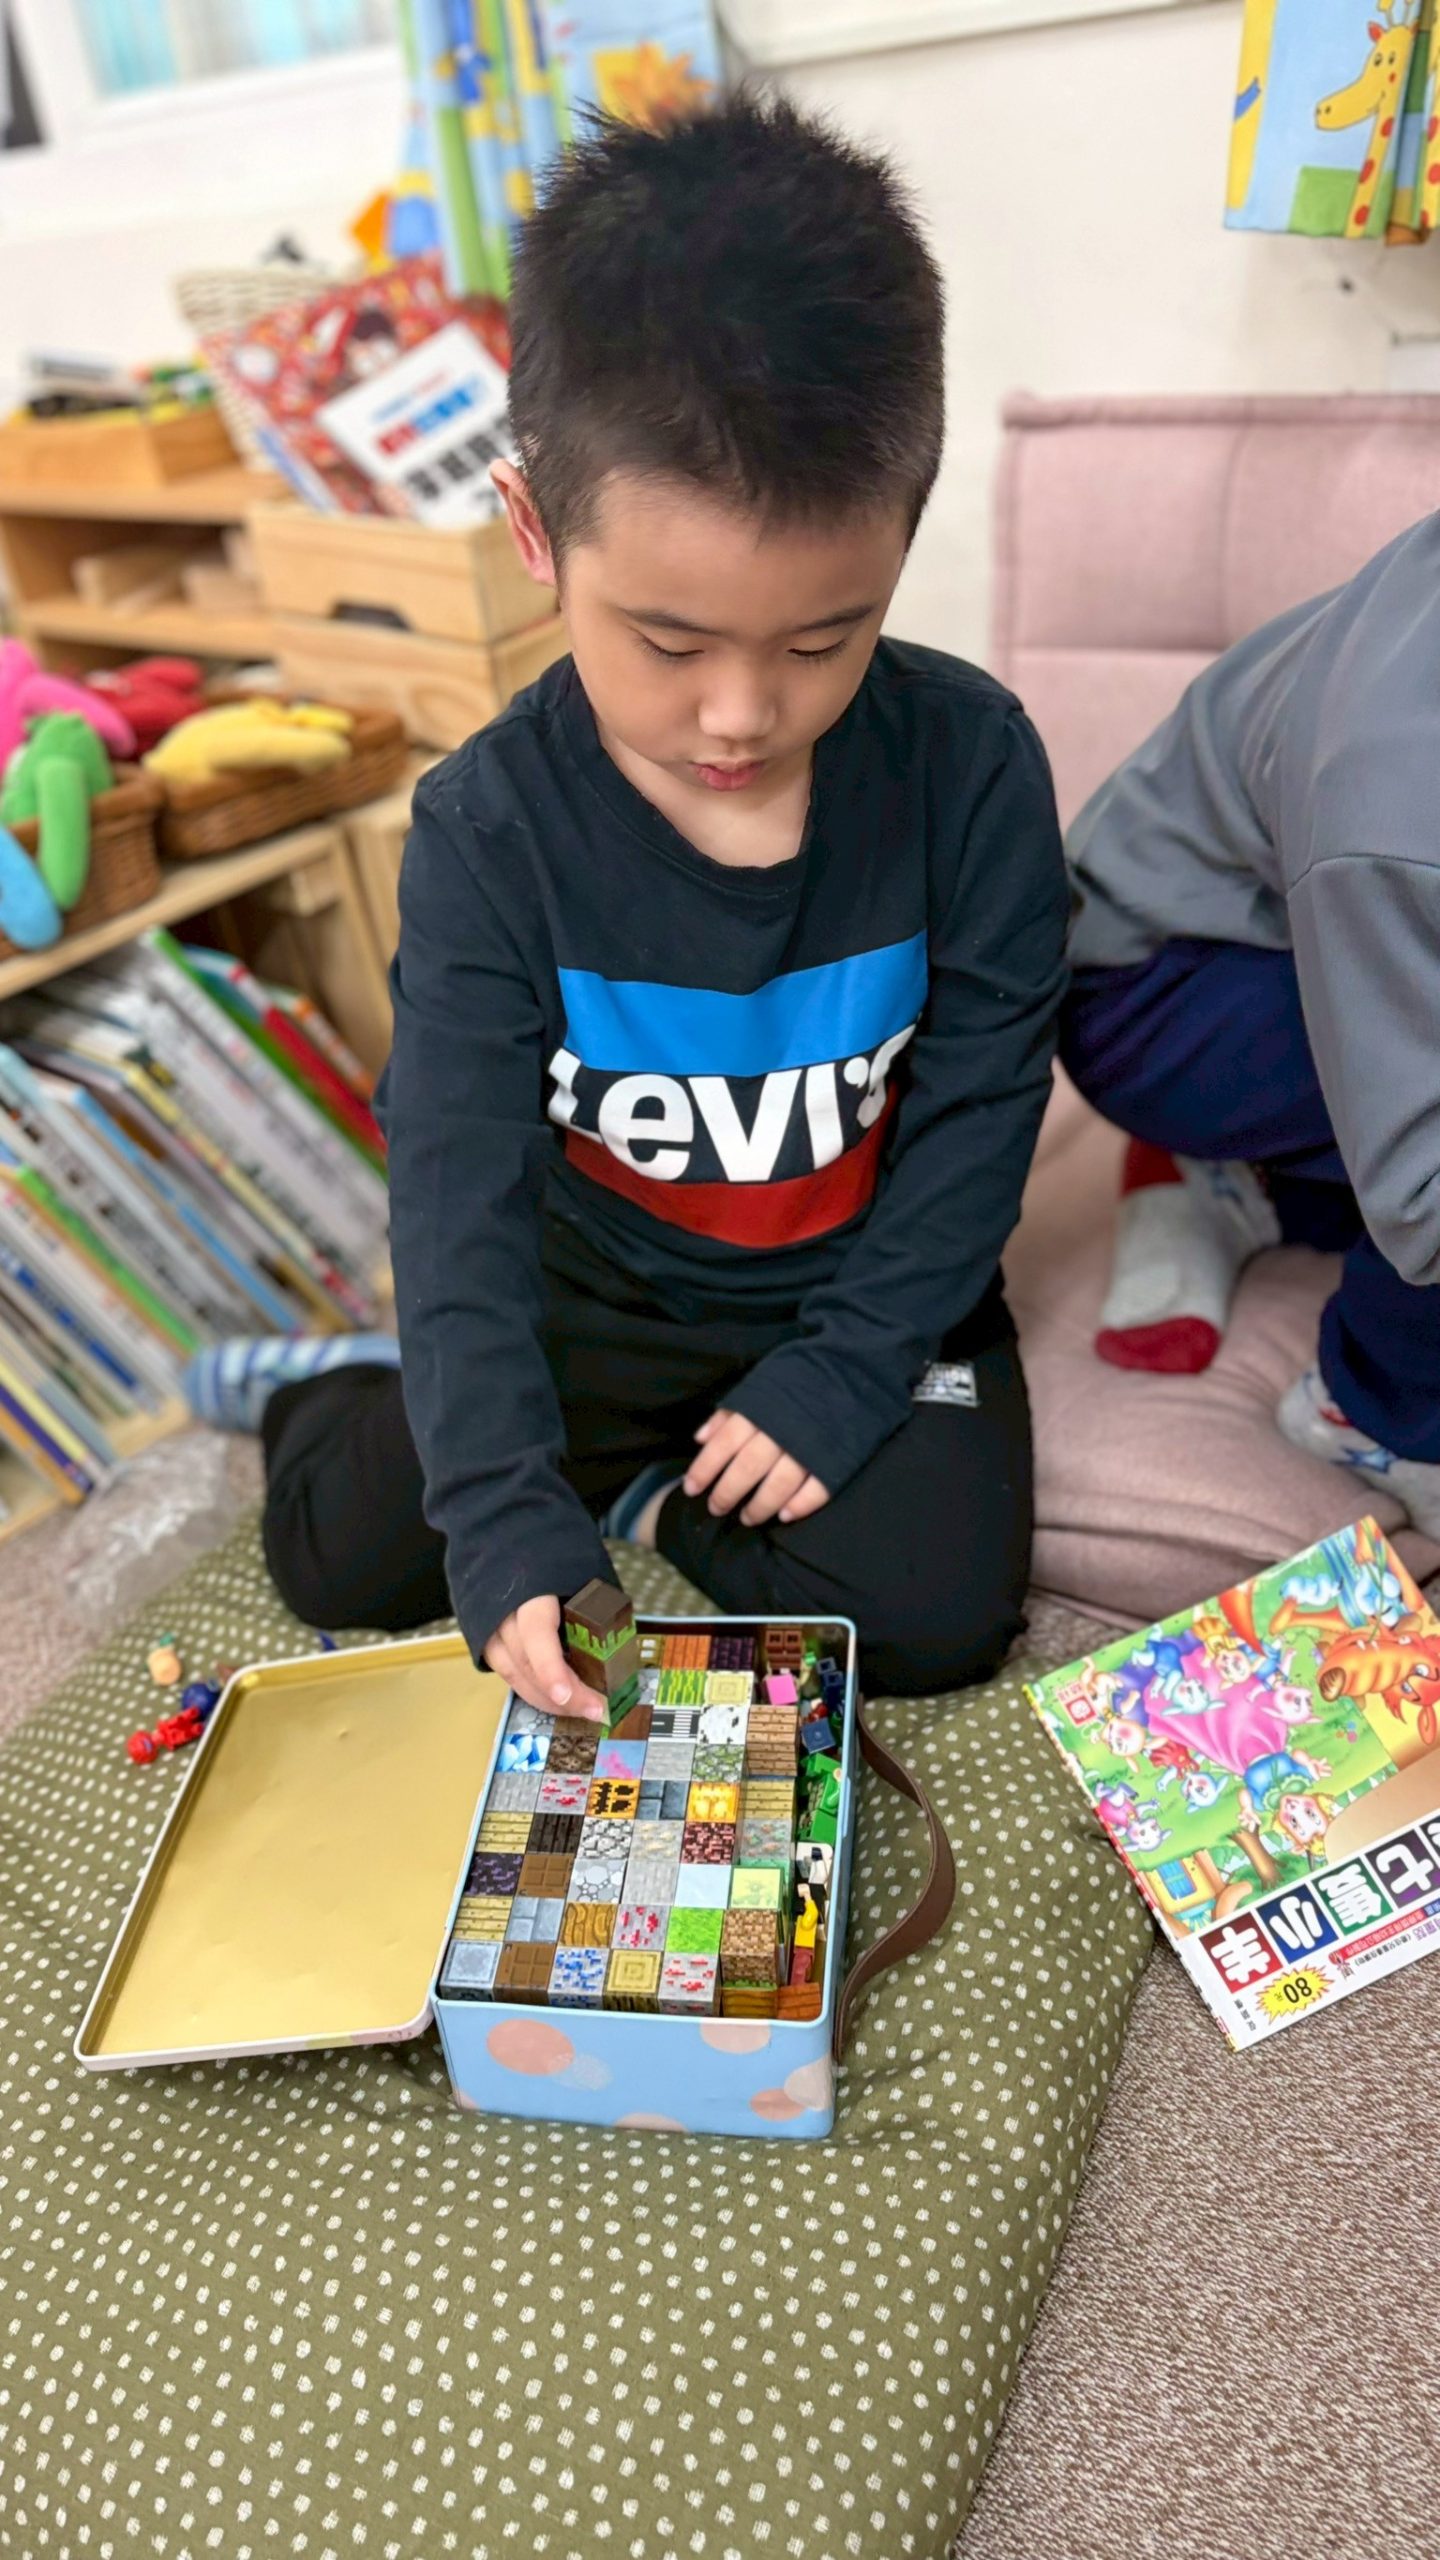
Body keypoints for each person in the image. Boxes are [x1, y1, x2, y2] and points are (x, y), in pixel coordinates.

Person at [188, 96, 1068, 1709]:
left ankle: (664, 1497)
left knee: (936, 1616)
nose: (741, 714)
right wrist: (502, 1514)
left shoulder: (973, 762)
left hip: (860, 1283)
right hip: (588, 1300)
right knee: (350, 1555)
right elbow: (456, 1190)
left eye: (823, 639)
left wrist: (850, 1367)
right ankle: (327, 1394)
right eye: (669, 643)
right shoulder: (487, 829)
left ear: (899, 540)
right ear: (535, 532)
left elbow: (982, 1111)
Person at [1062, 512, 1440, 1536]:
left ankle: (1264, 1180)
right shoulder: (1401, 796)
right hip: (1151, 991)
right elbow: (1424, 1187)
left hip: (1280, 921)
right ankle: (1380, 1410)